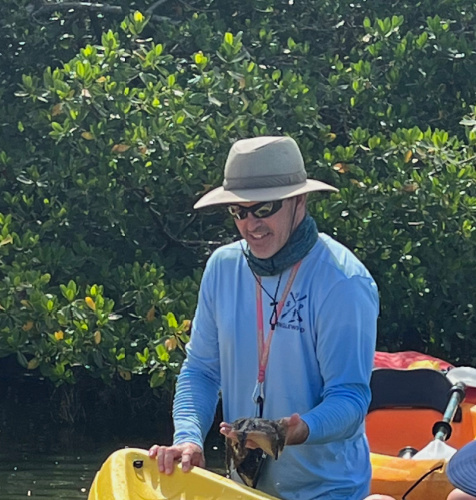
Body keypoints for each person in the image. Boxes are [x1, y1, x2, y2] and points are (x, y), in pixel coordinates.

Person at [149, 136, 379, 499]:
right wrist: (189, 438)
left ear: (299, 200)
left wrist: (296, 430)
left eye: (264, 208)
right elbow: (201, 371)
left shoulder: (343, 282)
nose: (250, 225)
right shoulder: (221, 268)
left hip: (329, 491)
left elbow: (350, 398)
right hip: (244, 490)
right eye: (238, 212)